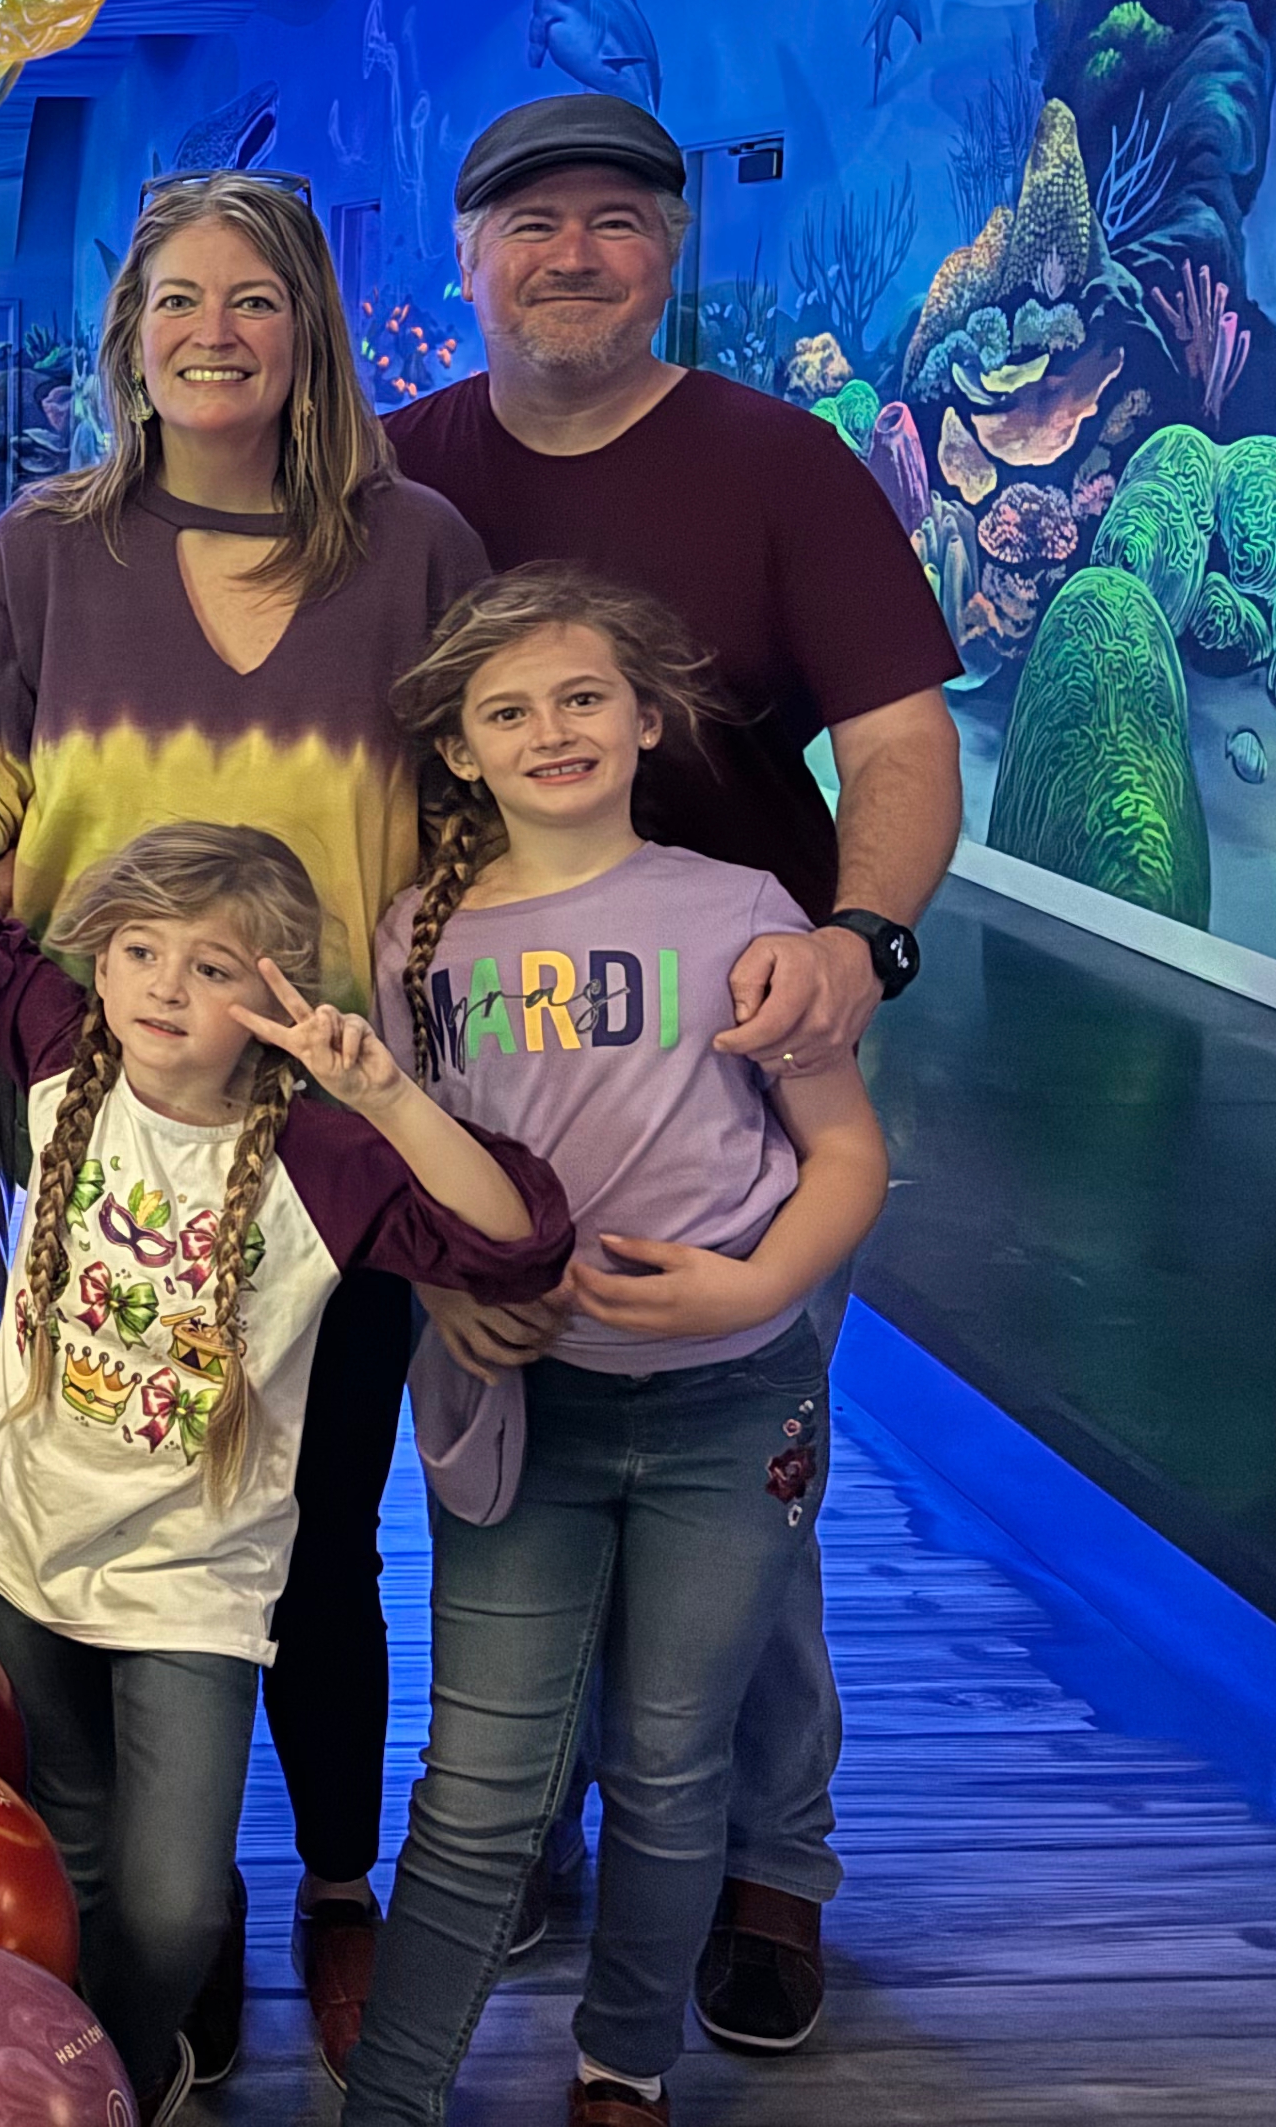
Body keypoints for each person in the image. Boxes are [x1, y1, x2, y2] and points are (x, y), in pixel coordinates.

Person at [0, 171, 491, 2075]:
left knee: (317, 1519)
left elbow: (476, 805)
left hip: (318, 1140)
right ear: (129, 336)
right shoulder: (43, 549)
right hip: (95, 1109)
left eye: (249, 299)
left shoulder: (413, 547)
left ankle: (328, 1880)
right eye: (174, 299)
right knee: (115, 1476)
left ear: (305, 325)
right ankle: (138, 1897)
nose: (210, 331)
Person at [0, 823, 571, 2114]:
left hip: (193, 1593)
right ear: (103, 963)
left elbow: (512, 1243)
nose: (167, 988)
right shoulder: (69, 1059)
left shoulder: (321, 1161)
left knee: (176, 1908)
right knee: (69, 1840)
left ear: (282, 992)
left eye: (214, 966)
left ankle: (106, 2072)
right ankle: (62, 2073)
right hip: (28, 1552)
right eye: (140, 951)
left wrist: (390, 1094)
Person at [377, 94, 960, 2049]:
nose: (571, 254)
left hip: (737, 1074)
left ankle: (774, 1869)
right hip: (499, 1097)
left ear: (670, 252)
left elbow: (896, 747)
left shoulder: (778, 467)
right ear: (468, 259)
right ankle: (526, 1831)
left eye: (616, 221)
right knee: (504, 1478)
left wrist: (858, 946)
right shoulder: (395, 480)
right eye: (531, 222)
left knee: (751, 1501)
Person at [334, 567, 891, 2127]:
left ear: (649, 718)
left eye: (585, 697)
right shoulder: (419, 945)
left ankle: (622, 2065)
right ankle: (393, 2094)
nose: (552, 730)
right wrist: (449, 1298)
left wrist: (753, 1291)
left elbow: (845, 1154)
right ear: (459, 750)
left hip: (736, 1407)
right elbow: (411, 1185)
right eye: (507, 710)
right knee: (477, 1791)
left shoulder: (741, 913)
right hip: (527, 1408)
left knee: (668, 1764)